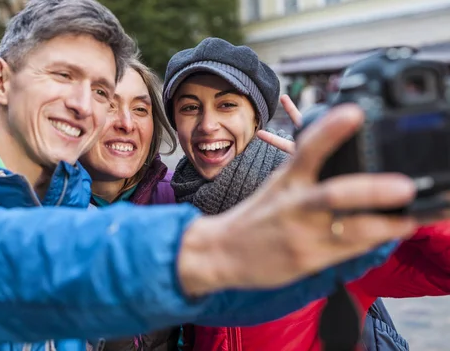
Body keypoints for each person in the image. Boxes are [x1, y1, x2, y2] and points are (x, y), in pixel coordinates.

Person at [0, 0, 429, 351]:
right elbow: (2, 256)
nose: (86, 104)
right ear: (0, 81)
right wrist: (220, 249)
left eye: (102, 89)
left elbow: (226, 299)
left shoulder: (78, 206)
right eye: (61, 75)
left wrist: (403, 190)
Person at [162, 39, 448, 351]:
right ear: (176, 123)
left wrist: (400, 193)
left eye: (226, 105)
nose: (207, 124)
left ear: (257, 118)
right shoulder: (171, 219)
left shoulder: (320, 213)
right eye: (190, 108)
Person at [79, 57, 179, 351]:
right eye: (109, 105)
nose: (126, 123)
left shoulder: (182, 199)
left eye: (140, 109)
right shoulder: (37, 212)